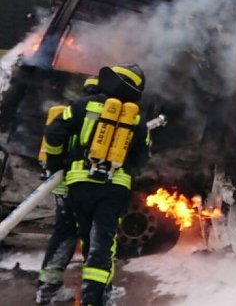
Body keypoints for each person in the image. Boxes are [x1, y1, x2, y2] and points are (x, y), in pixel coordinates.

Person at [44, 64, 150, 306]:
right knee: (102, 242)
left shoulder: (82, 106)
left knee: (83, 235)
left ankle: (81, 291)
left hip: (79, 184)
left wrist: (56, 164)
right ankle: (96, 298)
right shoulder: (136, 117)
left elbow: (54, 134)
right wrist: (125, 169)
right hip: (114, 188)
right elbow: (142, 157)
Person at [35, 76, 101, 304]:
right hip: (82, 182)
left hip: (62, 182)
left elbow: (53, 139)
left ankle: (48, 287)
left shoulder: (70, 110)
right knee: (94, 235)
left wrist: (54, 167)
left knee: (65, 231)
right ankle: (96, 292)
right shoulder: (100, 115)